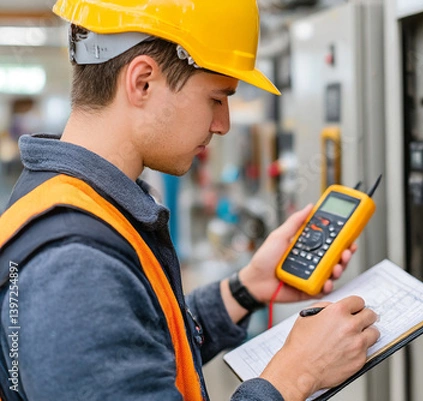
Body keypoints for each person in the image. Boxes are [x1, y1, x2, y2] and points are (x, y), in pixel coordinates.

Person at [0, 1, 380, 400]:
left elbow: (140, 345)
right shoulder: (75, 268)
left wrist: (245, 288)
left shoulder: (72, 199)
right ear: (143, 81)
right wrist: (296, 375)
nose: (224, 124)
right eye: (217, 98)